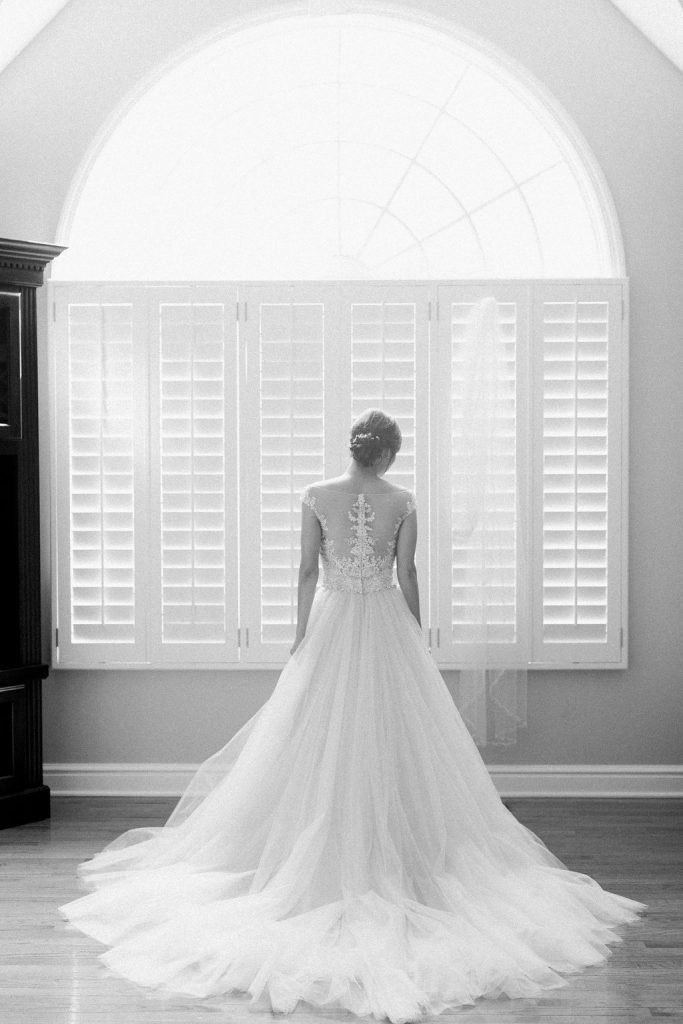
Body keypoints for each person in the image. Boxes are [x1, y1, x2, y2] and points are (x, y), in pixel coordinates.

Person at [58, 407, 646, 1024]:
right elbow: (408, 571)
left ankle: (313, 853)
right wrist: (415, 635)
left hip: (334, 622)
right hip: (386, 624)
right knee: (399, 743)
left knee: (312, 742)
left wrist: (298, 637)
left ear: (353, 449)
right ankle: (404, 854)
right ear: (388, 455)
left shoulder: (316, 495)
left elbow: (308, 570)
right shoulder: (403, 500)